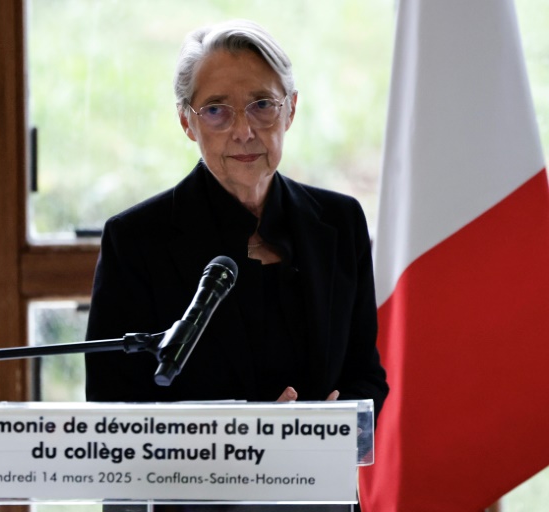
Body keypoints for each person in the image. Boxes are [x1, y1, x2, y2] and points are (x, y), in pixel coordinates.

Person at [84, 19, 388, 511]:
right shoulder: (136, 239)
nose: (244, 130)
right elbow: (115, 411)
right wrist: (247, 442)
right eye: (217, 111)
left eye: (262, 105)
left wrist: (336, 425)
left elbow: (366, 374)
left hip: (320, 499)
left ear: (291, 110)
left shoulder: (340, 222)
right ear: (187, 122)